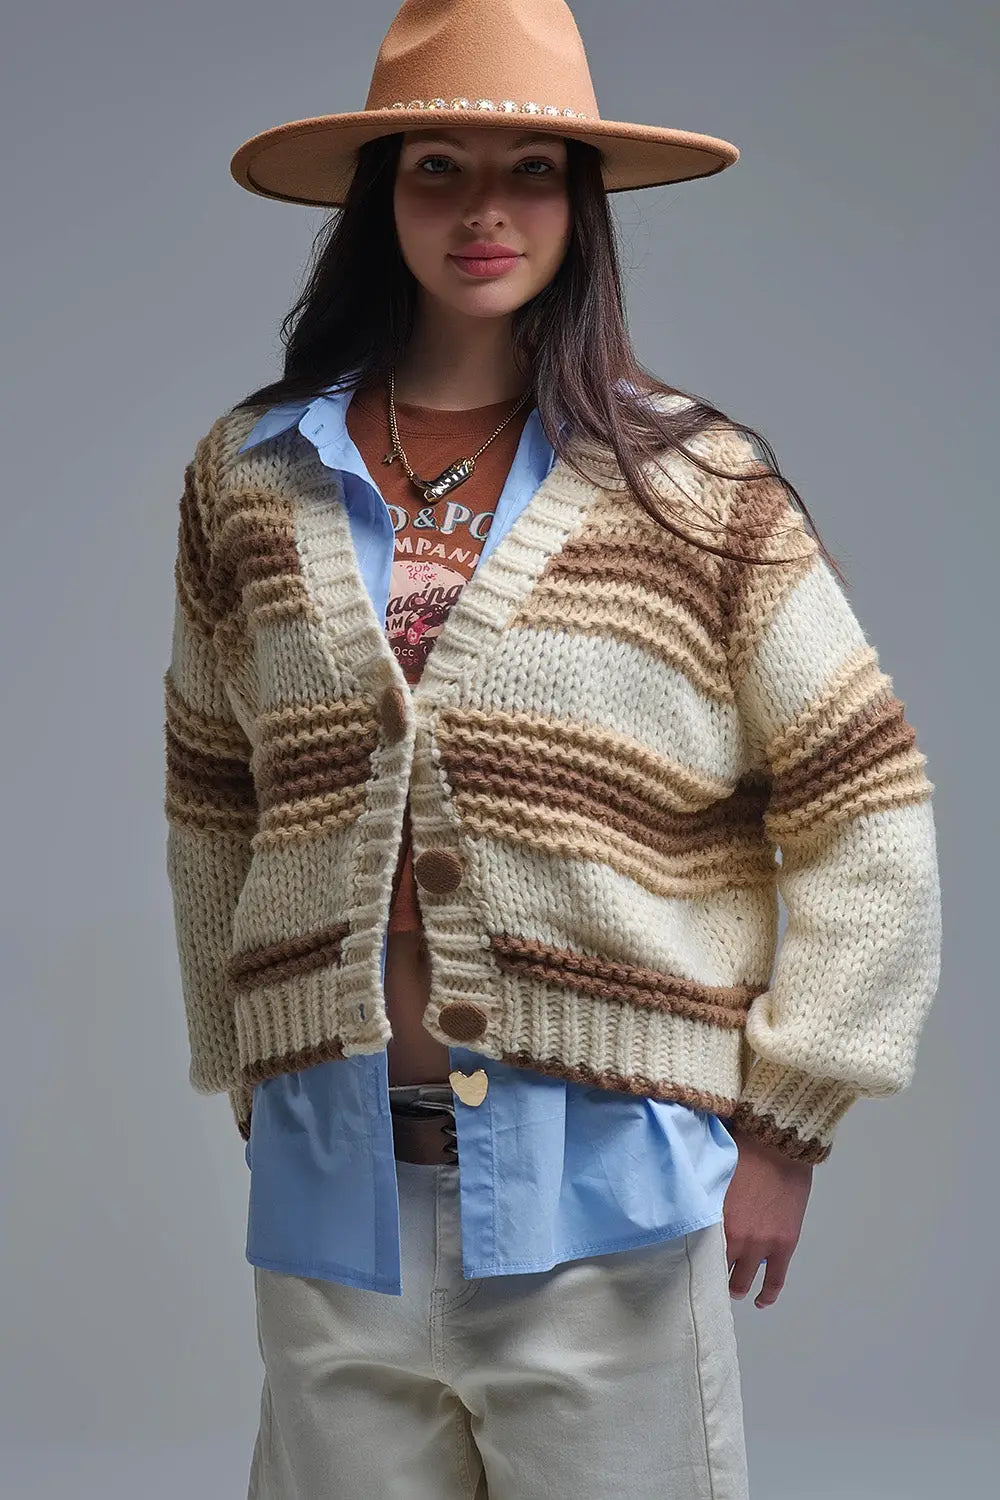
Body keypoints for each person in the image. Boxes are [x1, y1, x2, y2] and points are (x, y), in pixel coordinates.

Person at [161, 2, 942, 1497]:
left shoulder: (697, 488)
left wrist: (788, 1127)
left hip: (608, 1202)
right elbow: (213, 800)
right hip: (336, 1203)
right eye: (438, 167)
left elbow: (867, 807)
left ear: (582, 203)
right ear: (381, 194)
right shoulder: (251, 479)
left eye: (531, 169)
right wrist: (255, 1069)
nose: (486, 211)